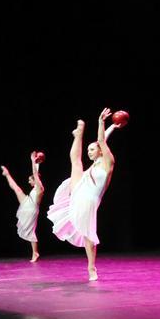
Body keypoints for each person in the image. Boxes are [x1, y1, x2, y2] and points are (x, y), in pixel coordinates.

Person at [47, 109, 118, 282]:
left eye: (92, 149)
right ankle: (79, 133)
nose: (90, 151)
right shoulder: (95, 163)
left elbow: (101, 141)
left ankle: (91, 267)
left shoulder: (108, 163)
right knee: (76, 162)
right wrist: (113, 127)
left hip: (89, 201)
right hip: (80, 190)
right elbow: (102, 140)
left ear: (101, 151)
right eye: (88, 149)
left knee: (88, 236)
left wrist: (102, 122)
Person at [2, 153, 46, 262]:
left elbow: (35, 174)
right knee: (17, 189)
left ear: (35, 180)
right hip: (28, 203)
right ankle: (7, 174)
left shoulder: (40, 188)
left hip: (32, 208)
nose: (28, 181)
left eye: (30, 180)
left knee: (31, 231)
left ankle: (35, 252)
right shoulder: (36, 188)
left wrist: (32, 160)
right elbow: (35, 173)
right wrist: (37, 162)